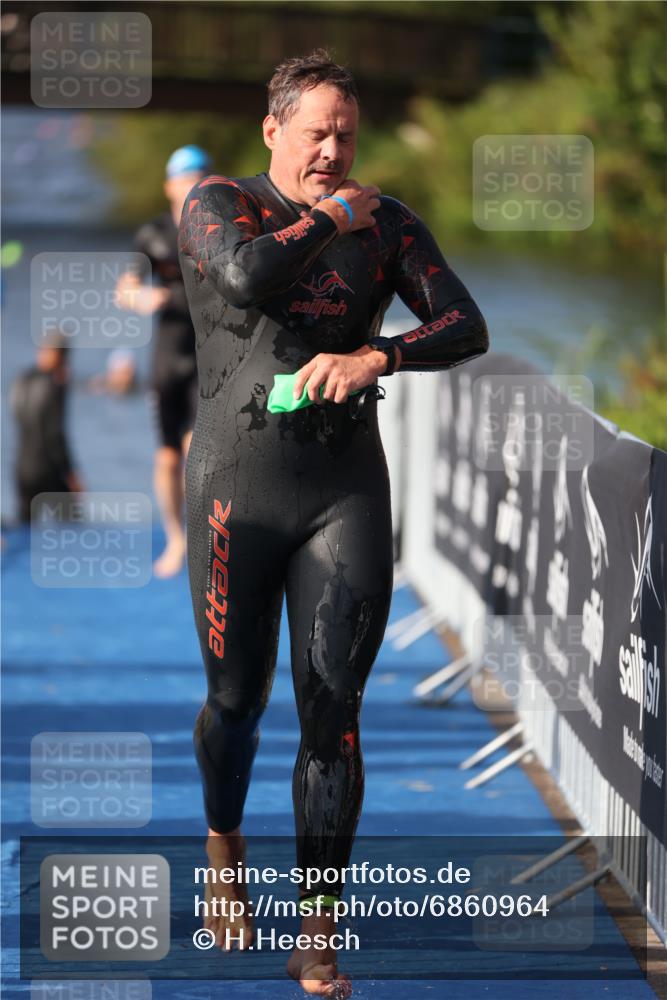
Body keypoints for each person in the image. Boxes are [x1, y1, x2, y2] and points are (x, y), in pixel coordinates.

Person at [179, 50, 488, 997]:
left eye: (345, 135)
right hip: (236, 486)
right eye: (314, 132)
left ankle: (319, 929)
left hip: (343, 489)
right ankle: (224, 848)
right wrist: (328, 218)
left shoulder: (386, 224)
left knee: (334, 714)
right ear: (273, 130)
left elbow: (466, 325)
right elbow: (241, 279)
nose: (331, 149)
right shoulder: (214, 203)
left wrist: (378, 356)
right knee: (237, 704)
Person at [115, 145, 211, 577]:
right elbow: (125, 289)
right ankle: (175, 537)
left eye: (200, 178)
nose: (192, 187)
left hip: (207, 358)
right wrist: (141, 298)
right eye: (185, 179)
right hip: (167, 357)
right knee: (168, 457)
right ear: (170, 186)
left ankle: (206, 538)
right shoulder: (152, 235)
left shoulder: (219, 231)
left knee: (199, 453)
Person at [11, 332, 83, 523]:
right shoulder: (55, 384)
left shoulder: (21, 380)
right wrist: (70, 473)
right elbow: (54, 434)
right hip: (49, 469)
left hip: (22, 469)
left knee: (25, 530)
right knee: (73, 528)